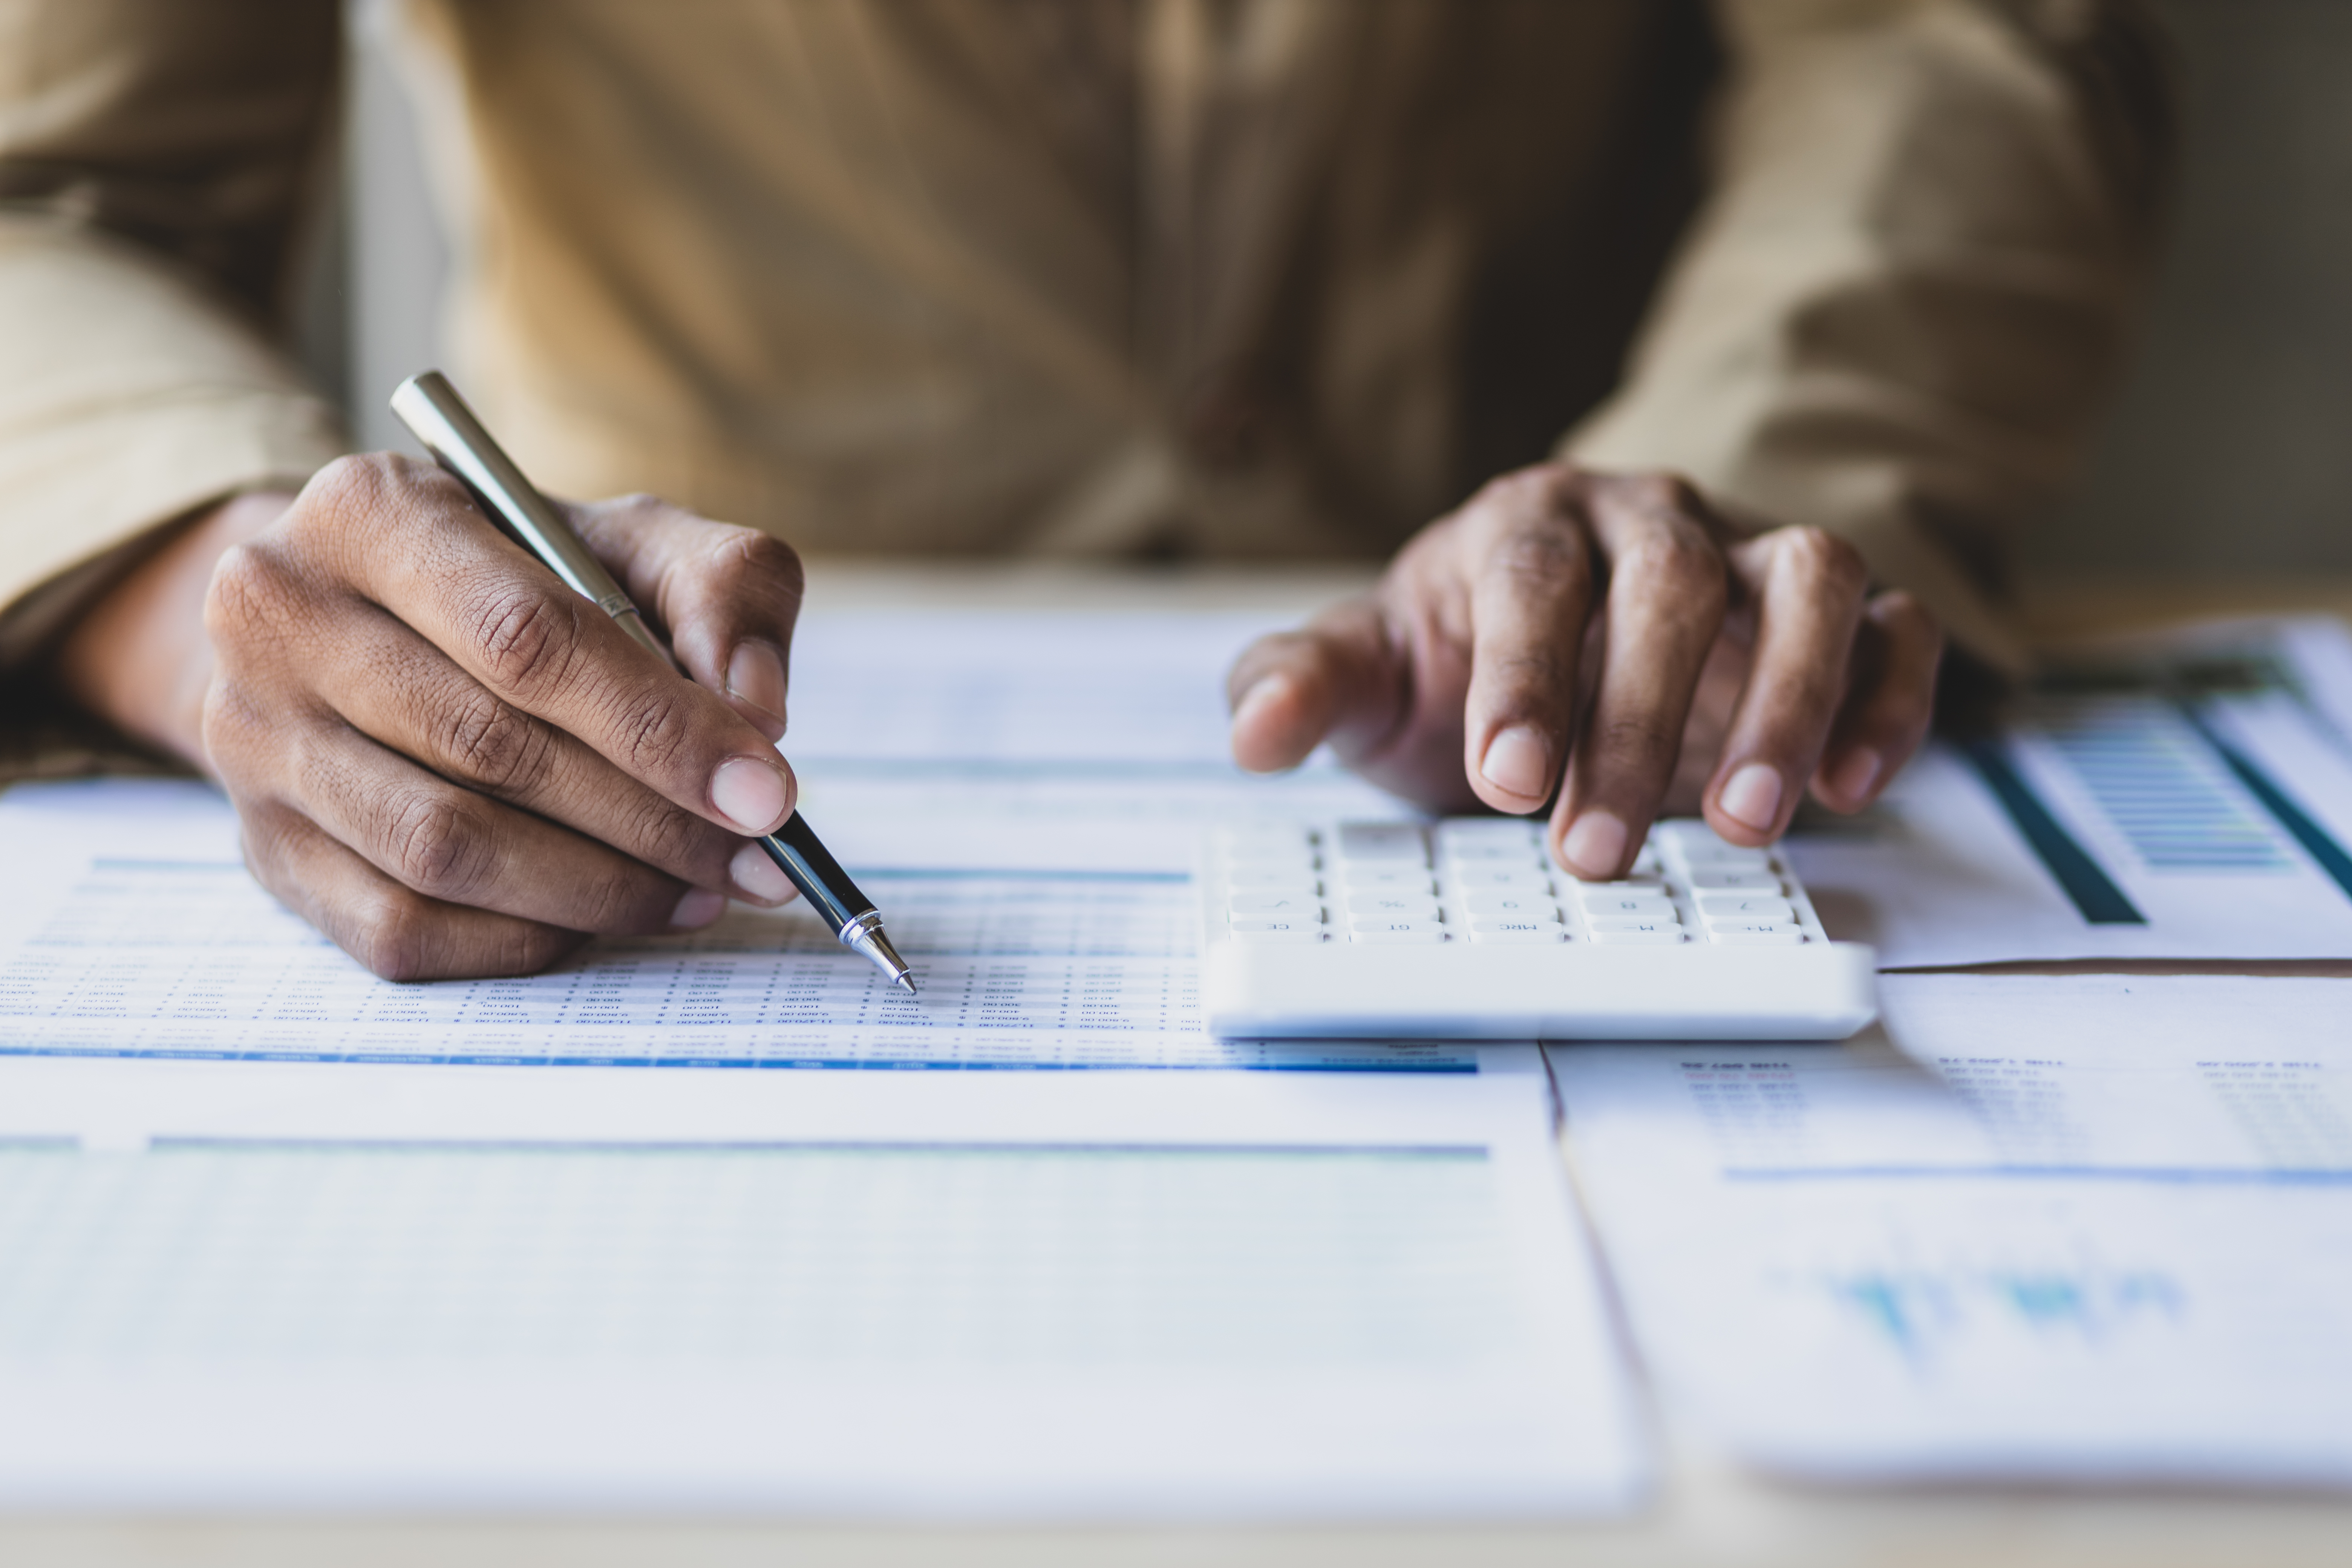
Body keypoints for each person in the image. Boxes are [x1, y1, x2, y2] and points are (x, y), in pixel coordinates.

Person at [0, 0, 2169, 980]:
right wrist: (219, 595)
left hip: (1538, 650)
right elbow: (49, 206)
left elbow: (1947, 36)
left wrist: (1712, 510)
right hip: (625, 642)